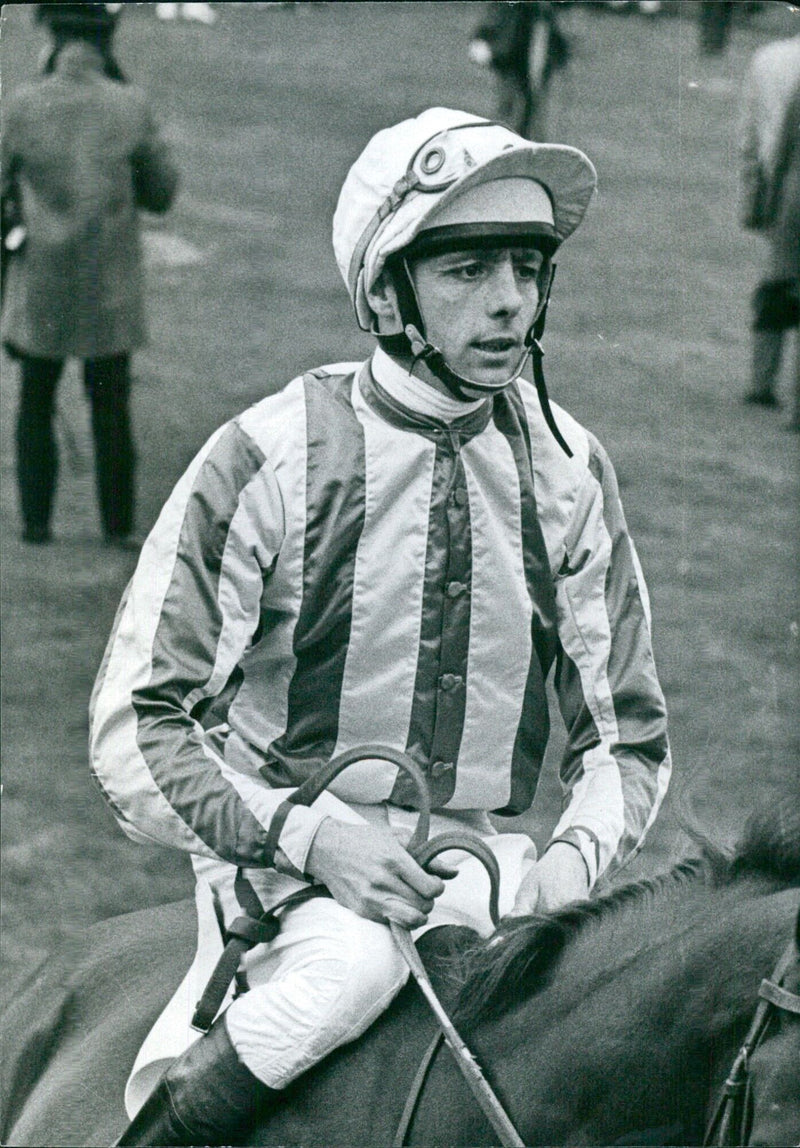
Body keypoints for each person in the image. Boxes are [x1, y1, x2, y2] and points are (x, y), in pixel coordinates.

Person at [91, 107, 672, 1146]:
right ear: (385, 289)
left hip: (486, 871)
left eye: (526, 269)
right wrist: (315, 838)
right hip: (285, 867)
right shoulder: (266, 456)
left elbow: (626, 739)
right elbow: (138, 727)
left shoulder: (568, 469)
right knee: (349, 968)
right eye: (464, 272)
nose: (506, 304)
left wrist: (559, 872)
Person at [1, 4, 179, 547]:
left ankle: (36, 524)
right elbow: (161, 193)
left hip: (43, 283)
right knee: (110, 405)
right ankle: (118, 525)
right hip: (109, 287)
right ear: (106, 44)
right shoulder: (129, 104)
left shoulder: (23, 105)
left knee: (35, 397)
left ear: (52, 39)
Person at [739, 35, 800, 421]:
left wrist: (767, 199)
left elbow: (779, 148)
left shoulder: (771, 58)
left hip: (793, 196)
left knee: (778, 285)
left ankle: (763, 384)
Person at [468, 1, 570, 141]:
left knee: (533, 106)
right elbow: (497, 15)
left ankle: (529, 143)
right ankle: (507, 143)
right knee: (511, 105)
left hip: (534, 44)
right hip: (513, 53)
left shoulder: (544, 15)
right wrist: (484, 38)